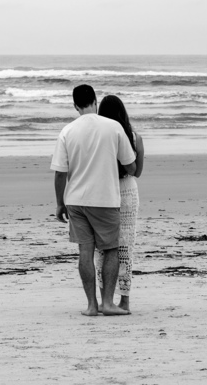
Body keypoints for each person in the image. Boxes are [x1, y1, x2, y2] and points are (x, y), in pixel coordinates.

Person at [51, 84, 136, 317]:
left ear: (75, 105)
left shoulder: (67, 131)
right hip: (105, 199)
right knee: (111, 250)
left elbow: (59, 173)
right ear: (95, 101)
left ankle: (91, 306)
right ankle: (107, 303)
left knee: (85, 251)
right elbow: (130, 165)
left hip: (76, 200)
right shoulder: (113, 127)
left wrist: (59, 203)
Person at [93, 94, 144, 312]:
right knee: (125, 248)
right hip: (127, 190)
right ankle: (124, 301)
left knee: (102, 248)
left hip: (105, 190)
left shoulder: (99, 138)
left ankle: (104, 299)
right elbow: (137, 172)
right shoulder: (134, 137)